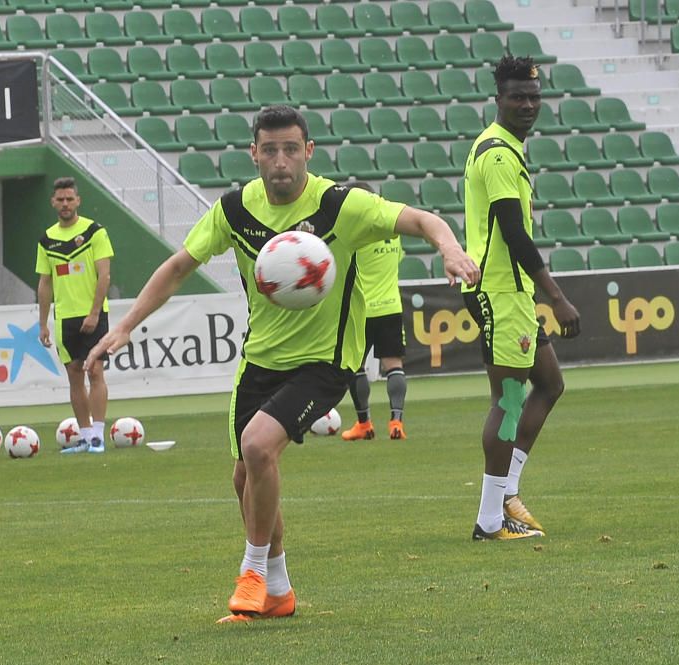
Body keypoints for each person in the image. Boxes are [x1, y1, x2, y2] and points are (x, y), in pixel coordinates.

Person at [84, 105, 480, 622]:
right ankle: (279, 591)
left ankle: (250, 573)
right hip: (260, 361)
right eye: (269, 150)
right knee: (244, 477)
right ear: (253, 154)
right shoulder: (234, 210)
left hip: (325, 362)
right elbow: (180, 266)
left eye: (291, 149)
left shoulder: (342, 205)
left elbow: (421, 220)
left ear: (308, 152)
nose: (280, 161)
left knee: (257, 447)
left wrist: (448, 248)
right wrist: (124, 325)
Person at [461, 56, 580, 541]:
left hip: (512, 293)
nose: (527, 104)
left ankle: (507, 491)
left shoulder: (506, 148)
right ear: (499, 99)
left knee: (549, 384)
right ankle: (491, 520)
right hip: (501, 292)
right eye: (517, 96)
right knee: (509, 401)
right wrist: (557, 297)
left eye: (533, 97)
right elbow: (513, 232)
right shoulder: (496, 154)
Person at [37, 176, 114, 454]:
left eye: (70, 198)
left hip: (92, 315)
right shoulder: (47, 239)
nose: (65, 203)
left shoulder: (95, 232)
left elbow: (104, 275)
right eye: (61, 199)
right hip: (65, 317)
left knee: (94, 370)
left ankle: (98, 436)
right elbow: (45, 283)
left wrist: (94, 313)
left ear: (78, 201)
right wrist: (43, 322)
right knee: (73, 375)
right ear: (53, 202)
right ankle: (84, 436)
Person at [340, 183, 409, 442]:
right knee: (394, 365)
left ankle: (364, 423)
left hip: (361, 309)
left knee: (355, 367)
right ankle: (397, 422)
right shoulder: (393, 229)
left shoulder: (355, 230)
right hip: (391, 306)